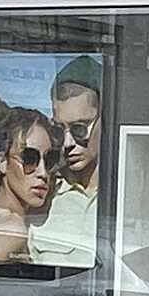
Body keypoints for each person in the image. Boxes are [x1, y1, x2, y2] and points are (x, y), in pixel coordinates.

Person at [33, 57, 101, 268]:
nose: (68, 143)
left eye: (80, 128)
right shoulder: (43, 193)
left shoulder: (130, 193)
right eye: (59, 130)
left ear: (105, 121)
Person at [0, 107, 61, 264]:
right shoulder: (11, 228)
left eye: (49, 160)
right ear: (3, 162)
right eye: (29, 159)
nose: (43, 173)